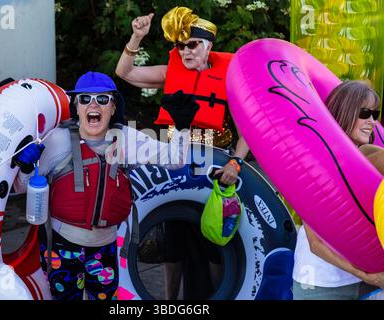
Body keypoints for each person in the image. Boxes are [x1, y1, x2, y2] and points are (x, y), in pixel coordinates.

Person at [13, 71, 197, 300]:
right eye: (85, 99)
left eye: (102, 99)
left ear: (113, 107)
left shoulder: (127, 138)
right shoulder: (56, 140)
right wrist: (26, 166)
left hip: (104, 248)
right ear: (76, 107)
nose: (93, 105)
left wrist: (182, 127)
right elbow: (21, 187)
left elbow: (175, 161)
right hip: (62, 246)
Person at [116, 6, 247, 299]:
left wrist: (236, 163)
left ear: (208, 46)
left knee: (213, 242)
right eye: (180, 46)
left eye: (192, 45)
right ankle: (169, 300)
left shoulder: (229, 79)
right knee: (174, 237)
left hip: (215, 167)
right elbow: (124, 72)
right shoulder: (170, 71)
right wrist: (136, 37)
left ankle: (217, 294)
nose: (185, 52)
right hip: (176, 164)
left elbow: (247, 131)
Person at [292, 80, 384, 300]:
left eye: (374, 113)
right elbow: (316, 244)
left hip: (362, 281)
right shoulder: (312, 162)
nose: (371, 121)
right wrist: (366, 275)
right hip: (320, 283)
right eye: (364, 113)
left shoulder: (368, 154)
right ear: (346, 111)